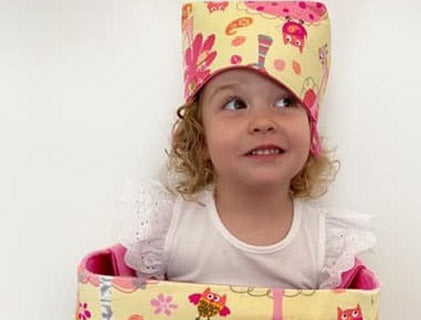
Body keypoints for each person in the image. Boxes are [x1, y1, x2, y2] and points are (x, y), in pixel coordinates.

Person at [120, 1, 374, 290]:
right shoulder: (168, 232)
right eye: (236, 104)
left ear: (311, 130)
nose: (263, 121)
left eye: (286, 101)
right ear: (200, 138)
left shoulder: (325, 249)